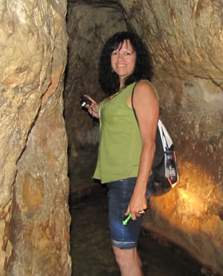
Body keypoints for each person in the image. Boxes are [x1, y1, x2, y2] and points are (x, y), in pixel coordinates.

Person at [82, 31, 159, 276]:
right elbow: (119, 119)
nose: (121, 58)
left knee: (122, 254)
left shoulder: (142, 88)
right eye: (115, 53)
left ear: (138, 58)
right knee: (130, 252)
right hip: (118, 181)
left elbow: (149, 143)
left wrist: (138, 193)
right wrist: (99, 112)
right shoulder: (118, 94)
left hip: (129, 181)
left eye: (127, 52)